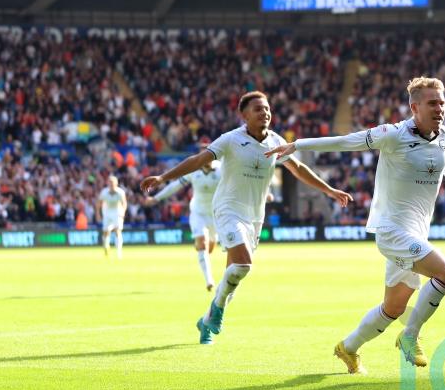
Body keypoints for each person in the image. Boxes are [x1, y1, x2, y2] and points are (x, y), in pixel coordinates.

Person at [265, 77, 445, 373]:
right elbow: (348, 141)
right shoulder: (393, 134)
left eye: (442, 102)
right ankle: (410, 336)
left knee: (392, 308)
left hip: (416, 233)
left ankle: (348, 348)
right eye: (432, 103)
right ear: (414, 107)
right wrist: (298, 144)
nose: (440, 108)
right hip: (390, 230)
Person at [140, 91, 353, 345]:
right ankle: (216, 312)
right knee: (243, 265)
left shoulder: (275, 141)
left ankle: (206, 321)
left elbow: (297, 169)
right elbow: (198, 160)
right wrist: (164, 177)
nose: (265, 113)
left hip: (254, 216)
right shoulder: (230, 140)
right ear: (244, 115)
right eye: (258, 109)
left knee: (232, 279)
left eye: (267, 109)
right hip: (228, 209)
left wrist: (328, 189)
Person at [147, 152, 222, 291]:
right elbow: (175, 186)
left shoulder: (222, 169)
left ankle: (206, 250)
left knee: (211, 246)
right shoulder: (194, 171)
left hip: (215, 215)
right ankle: (209, 280)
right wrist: (156, 198)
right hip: (197, 212)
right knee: (202, 243)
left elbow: (239, 184)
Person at [98, 175, 127, 259]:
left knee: (118, 231)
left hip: (117, 212)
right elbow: (98, 204)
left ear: (116, 183)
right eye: (109, 182)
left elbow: (124, 203)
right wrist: (98, 214)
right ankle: (106, 248)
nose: (111, 184)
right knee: (106, 232)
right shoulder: (104, 192)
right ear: (107, 183)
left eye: (113, 182)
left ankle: (119, 252)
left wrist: (123, 212)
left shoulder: (121, 192)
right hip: (106, 212)